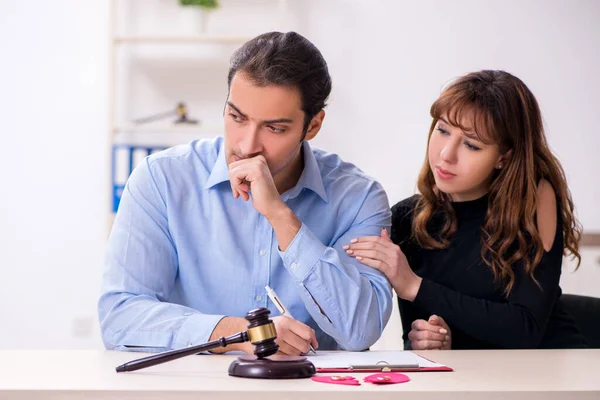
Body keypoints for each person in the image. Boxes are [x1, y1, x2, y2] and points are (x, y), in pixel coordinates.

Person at [98, 31, 393, 355]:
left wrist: (281, 218)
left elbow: (360, 332)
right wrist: (244, 334)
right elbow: (120, 318)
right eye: (237, 117)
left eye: (274, 128)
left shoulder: (359, 197)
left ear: (312, 126)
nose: (247, 145)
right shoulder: (161, 179)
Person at [344, 70, 588, 349]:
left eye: (471, 145)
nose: (446, 154)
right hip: (475, 381)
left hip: (554, 373)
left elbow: (526, 327)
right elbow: (416, 335)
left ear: (503, 158)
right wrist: (432, 340)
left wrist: (414, 286)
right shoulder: (407, 220)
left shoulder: (535, 202)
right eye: (442, 130)